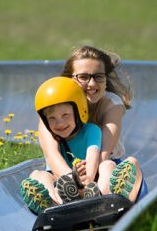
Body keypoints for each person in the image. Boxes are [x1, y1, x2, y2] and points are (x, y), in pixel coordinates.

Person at [21, 45, 143, 213]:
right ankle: (55, 206)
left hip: (99, 174)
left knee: (118, 165)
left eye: (98, 77)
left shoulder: (111, 104)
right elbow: (52, 154)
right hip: (65, 179)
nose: (92, 84)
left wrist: (87, 185)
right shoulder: (51, 107)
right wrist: (72, 182)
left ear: (105, 79)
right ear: (69, 79)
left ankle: (105, 200)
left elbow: (102, 154)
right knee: (38, 176)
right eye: (84, 77)